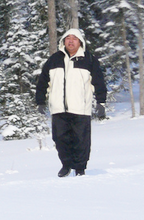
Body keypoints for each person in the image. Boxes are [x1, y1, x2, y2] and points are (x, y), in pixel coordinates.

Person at [35, 28, 107, 177]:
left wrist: (101, 103)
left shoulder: (89, 59)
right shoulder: (54, 59)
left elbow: (98, 82)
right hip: (58, 109)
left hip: (80, 108)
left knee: (81, 141)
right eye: (68, 38)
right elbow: (43, 81)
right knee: (60, 139)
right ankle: (66, 165)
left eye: (74, 38)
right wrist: (40, 101)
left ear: (80, 42)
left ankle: (80, 168)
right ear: (63, 41)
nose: (71, 41)